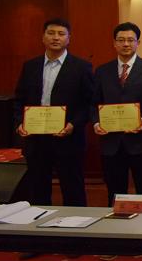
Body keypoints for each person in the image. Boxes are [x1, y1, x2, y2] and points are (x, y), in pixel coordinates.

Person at [13, 18, 94, 207]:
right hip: (36, 138)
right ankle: (40, 224)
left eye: (61, 34)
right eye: (51, 33)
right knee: (38, 188)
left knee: (72, 189)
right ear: (43, 37)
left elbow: (89, 103)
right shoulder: (30, 66)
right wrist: (20, 123)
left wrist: (73, 124)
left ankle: (75, 224)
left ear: (68, 38)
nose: (55, 38)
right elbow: (19, 99)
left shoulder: (81, 67)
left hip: (68, 138)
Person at [92, 22, 142, 208]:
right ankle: (117, 225)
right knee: (114, 191)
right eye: (121, 40)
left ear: (138, 43)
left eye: (130, 40)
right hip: (111, 142)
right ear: (114, 43)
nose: (125, 44)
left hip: (141, 141)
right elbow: (93, 102)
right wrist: (96, 122)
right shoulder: (102, 71)